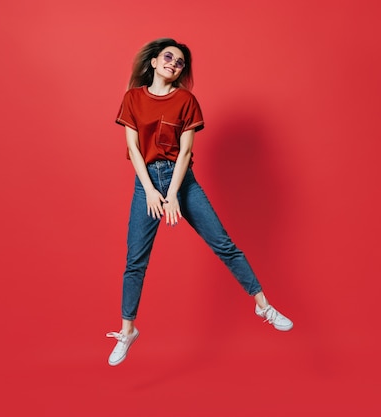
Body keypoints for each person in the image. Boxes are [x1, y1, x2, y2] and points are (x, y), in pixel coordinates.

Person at [106, 38, 292, 366]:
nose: (174, 64)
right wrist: (150, 191)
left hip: (182, 181)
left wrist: (174, 193)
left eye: (179, 63)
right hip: (146, 182)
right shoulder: (133, 98)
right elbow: (134, 149)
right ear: (153, 62)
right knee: (135, 259)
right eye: (168, 58)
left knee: (224, 244)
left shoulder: (186, 101)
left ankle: (263, 305)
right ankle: (128, 330)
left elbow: (186, 151)